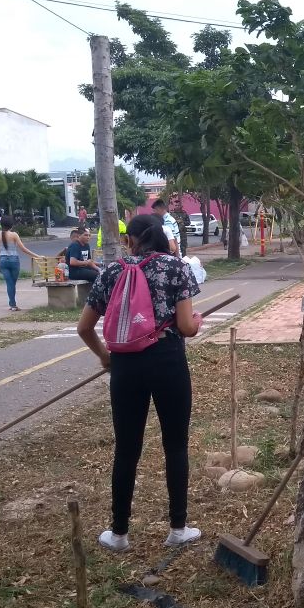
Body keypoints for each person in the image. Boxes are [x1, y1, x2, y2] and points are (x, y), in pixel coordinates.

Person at [77, 213, 203, 553]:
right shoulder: (176, 268)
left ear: (130, 240)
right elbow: (187, 327)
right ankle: (178, 527)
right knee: (175, 444)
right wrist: (196, 321)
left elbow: (84, 327)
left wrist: (105, 357)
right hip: (168, 362)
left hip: (126, 366)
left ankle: (118, 533)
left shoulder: (112, 271)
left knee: (126, 449)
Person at [0, 217, 43, 311]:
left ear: (1, 224)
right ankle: (13, 304)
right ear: (11, 225)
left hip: (3, 260)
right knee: (12, 283)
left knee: (9, 283)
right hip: (14, 260)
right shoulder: (14, 235)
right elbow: (23, 249)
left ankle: (12, 304)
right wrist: (37, 256)